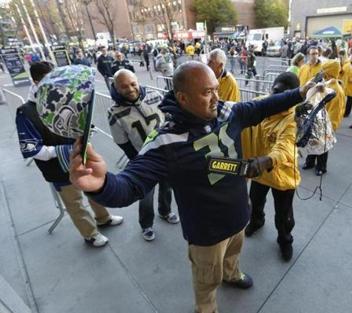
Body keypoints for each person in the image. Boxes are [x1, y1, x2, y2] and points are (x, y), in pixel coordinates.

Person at [69, 61, 313, 313]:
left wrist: (301, 92)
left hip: (239, 214)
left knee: (233, 255)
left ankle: (232, 273)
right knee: (207, 279)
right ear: (183, 98)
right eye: (207, 92)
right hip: (206, 232)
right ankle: (205, 308)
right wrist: (102, 184)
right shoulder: (165, 141)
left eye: (217, 89)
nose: (217, 98)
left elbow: (263, 106)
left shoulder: (228, 112)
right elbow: (130, 186)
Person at [16, 62, 123, 247]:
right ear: (36, 81)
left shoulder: (64, 98)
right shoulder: (25, 113)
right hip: (58, 169)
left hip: (81, 160)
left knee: (93, 189)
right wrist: (65, 151)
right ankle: (90, 234)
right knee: (75, 202)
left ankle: (103, 218)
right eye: (50, 79)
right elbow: (32, 149)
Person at [108, 69, 179, 241]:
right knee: (145, 194)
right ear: (116, 88)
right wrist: (139, 160)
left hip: (165, 153)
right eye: (124, 87)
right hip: (144, 160)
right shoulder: (114, 112)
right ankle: (146, 224)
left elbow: (167, 116)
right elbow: (121, 141)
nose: (131, 89)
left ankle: (165, 211)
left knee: (166, 186)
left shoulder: (153, 95)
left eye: (133, 84)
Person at [241, 72, 301, 261]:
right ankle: (257, 221)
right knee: (256, 202)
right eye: (276, 92)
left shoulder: (292, 119)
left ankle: (285, 240)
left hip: (281, 174)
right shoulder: (260, 104)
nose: (279, 99)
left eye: (285, 95)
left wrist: (265, 161)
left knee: (284, 216)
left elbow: (284, 148)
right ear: (271, 89)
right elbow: (237, 114)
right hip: (259, 172)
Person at [302, 60, 345, 175]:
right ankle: (310, 162)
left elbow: (336, 112)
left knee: (323, 147)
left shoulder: (336, 91)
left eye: (323, 70)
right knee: (313, 143)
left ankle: (321, 167)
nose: (321, 72)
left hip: (325, 124)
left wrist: (331, 127)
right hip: (316, 120)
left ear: (329, 72)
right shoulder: (324, 84)